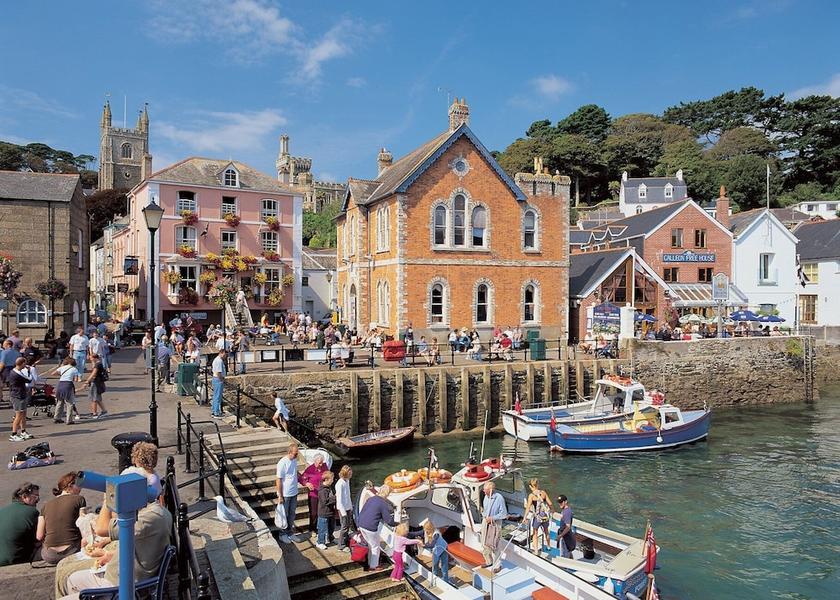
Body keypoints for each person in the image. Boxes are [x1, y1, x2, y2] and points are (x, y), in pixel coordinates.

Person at [61, 489, 172, 599]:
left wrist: (107, 500)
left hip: (121, 586)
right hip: (125, 577)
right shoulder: (158, 511)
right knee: (71, 579)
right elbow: (142, 545)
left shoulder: (146, 520)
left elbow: (101, 528)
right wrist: (111, 555)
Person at [37, 473, 86, 565]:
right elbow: (83, 526)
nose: (81, 488)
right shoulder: (79, 499)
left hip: (49, 555)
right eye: (79, 484)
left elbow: (39, 536)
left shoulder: (45, 506)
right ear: (70, 485)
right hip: (72, 551)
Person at [356, 485, 396, 571]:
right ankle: (374, 566)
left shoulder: (372, 499)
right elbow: (389, 521)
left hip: (361, 524)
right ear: (387, 494)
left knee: (371, 545)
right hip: (370, 527)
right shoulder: (383, 503)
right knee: (375, 547)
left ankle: (371, 563)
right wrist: (397, 523)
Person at [0, 482, 40, 566]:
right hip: (16, 559)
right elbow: (39, 537)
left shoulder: (2, 511)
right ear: (24, 497)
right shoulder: (31, 512)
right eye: (35, 496)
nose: (38, 499)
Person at [275, 443, 304, 544]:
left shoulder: (294, 460)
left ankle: (290, 532)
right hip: (285, 493)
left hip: (294, 492)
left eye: (297, 454)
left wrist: (303, 478)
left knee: (292, 513)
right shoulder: (282, 463)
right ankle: (282, 534)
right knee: (284, 514)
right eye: (295, 454)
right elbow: (278, 480)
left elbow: (295, 472)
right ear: (289, 452)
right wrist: (280, 495)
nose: (296, 456)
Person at [46, 356, 81, 425]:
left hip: (60, 384)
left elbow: (53, 373)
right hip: (68, 385)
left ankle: (56, 418)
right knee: (69, 403)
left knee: (60, 402)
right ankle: (69, 420)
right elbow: (77, 380)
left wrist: (61, 374)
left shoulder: (62, 367)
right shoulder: (74, 369)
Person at [481, 481, 507, 570]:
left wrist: (492, 518)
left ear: (491, 490)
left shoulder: (499, 498)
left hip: (495, 523)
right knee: (484, 543)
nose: (484, 491)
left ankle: (497, 565)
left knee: (495, 545)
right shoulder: (486, 497)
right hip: (486, 521)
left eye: (485, 490)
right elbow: (485, 509)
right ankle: (488, 561)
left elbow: (503, 514)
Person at [301, 455, 329, 533]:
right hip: (313, 494)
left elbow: (329, 476)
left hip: (323, 493)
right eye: (319, 463)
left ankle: (321, 528)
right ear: (315, 462)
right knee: (313, 513)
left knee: (322, 512)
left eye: (322, 463)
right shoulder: (310, 469)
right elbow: (302, 478)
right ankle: (312, 529)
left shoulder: (324, 466)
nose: (321, 465)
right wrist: (307, 483)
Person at [525, 479, 553, 554]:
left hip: (537, 517)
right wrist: (552, 510)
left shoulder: (531, 496)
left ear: (530, 486)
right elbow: (550, 503)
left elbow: (528, 508)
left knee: (535, 533)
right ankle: (548, 546)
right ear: (538, 485)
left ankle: (536, 551)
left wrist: (525, 517)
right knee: (546, 531)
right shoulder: (543, 493)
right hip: (544, 516)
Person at [8, 357, 33, 441]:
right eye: (25, 363)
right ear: (22, 364)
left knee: (23, 414)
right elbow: (29, 380)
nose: (25, 365)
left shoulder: (14, 371)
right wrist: (29, 371)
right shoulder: (17, 374)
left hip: (20, 394)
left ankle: (23, 431)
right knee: (18, 415)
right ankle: (14, 434)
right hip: (17, 396)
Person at [82, 354, 108, 418]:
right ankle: (104, 411)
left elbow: (93, 373)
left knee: (94, 399)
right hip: (99, 382)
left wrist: (87, 381)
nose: (89, 359)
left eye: (91, 358)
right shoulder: (99, 364)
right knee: (98, 398)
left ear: (95, 358)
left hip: (96, 382)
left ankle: (94, 413)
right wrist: (93, 362)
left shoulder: (97, 365)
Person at [335, 465, 354, 552]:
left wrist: (350, 507)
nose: (351, 475)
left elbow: (348, 496)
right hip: (342, 509)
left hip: (347, 507)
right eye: (350, 474)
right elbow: (339, 500)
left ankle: (346, 541)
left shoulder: (347, 481)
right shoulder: (340, 484)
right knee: (344, 527)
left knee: (348, 525)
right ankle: (341, 545)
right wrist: (343, 512)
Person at [315, 471, 336, 550]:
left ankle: (331, 538)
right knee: (322, 528)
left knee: (331, 527)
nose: (333, 480)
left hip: (330, 512)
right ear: (326, 479)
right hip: (324, 513)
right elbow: (325, 501)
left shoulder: (329, 488)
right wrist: (335, 497)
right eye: (332, 479)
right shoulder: (322, 490)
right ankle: (320, 542)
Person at [0, 339, 22, 403]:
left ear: (7, 345)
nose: (3, 346)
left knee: (1, 386)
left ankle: (1, 398)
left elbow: (2, 363)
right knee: (12, 386)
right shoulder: (17, 352)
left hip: (5, 370)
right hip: (15, 369)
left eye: (4, 344)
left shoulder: (4, 352)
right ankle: (12, 400)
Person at [211, 349, 227, 418]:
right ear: (222, 353)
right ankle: (216, 412)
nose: (226, 356)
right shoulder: (219, 361)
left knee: (215, 396)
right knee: (218, 396)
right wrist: (222, 380)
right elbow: (218, 373)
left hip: (215, 379)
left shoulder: (216, 360)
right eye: (225, 354)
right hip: (218, 380)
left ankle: (214, 410)